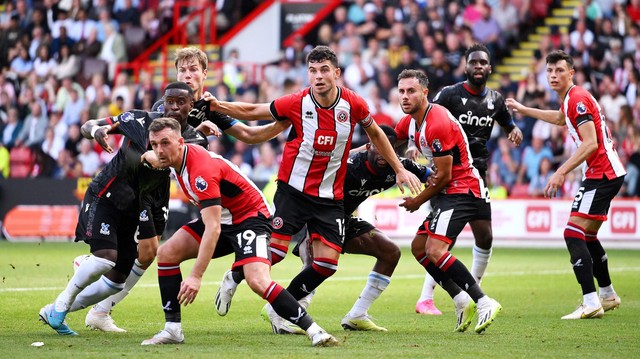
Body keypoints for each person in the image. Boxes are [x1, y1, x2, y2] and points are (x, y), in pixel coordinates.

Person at [209, 45, 422, 334]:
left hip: (329, 197)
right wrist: (218, 105)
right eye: (312, 70)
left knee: (326, 264)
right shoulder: (297, 102)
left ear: (337, 73)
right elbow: (254, 111)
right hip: (293, 190)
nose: (318, 76)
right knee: (275, 253)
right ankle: (235, 275)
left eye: (324, 70)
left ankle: (279, 308)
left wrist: (398, 168)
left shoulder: (354, 104)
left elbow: (375, 135)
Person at [85, 47, 287, 332]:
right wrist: (196, 128)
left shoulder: (209, 107)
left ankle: (101, 311)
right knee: (146, 251)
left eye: (193, 70)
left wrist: (284, 123)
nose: (188, 75)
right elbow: (160, 143)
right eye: (182, 70)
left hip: (164, 186)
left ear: (205, 74)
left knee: (149, 253)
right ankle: (97, 298)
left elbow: (250, 134)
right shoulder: (169, 103)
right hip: (137, 181)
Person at [139, 118, 337, 347]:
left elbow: (213, 228)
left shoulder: (200, 171)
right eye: (154, 144)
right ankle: (172, 330)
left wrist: (196, 276)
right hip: (223, 218)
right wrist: (149, 156)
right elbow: (155, 157)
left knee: (258, 280)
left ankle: (315, 331)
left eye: (165, 143)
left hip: (250, 218)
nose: (159, 150)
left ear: (181, 142)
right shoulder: (170, 156)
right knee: (167, 254)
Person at [38, 82, 206, 336]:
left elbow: (191, 167)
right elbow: (89, 125)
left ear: (190, 106)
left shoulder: (194, 139)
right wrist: (97, 130)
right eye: (169, 101)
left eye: (180, 103)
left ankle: (60, 310)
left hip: (139, 204)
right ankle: (61, 304)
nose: (173, 107)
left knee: (116, 280)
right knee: (105, 257)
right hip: (106, 196)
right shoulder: (139, 120)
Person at [506, 50, 625, 319]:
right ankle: (606, 294)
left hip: (601, 173)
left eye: (559, 70)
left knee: (572, 233)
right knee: (588, 235)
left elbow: (591, 143)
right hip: (606, 172)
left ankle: (591, 301)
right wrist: (525, 110)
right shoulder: (571, 99)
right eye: (549, 71)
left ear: (571, 73)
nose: (553, 75)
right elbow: (561, 119)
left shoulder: (578, 99)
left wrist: (560, 172)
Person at [415, 43, 523, 315]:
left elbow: (507, 122)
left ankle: (473, 286)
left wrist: (514, 131)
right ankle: (426, 297)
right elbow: (425, 118)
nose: (478, 66)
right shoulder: (450, 95)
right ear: (465, 66)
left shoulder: (495, 100)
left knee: (485, 235)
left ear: (489, 67)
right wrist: (414, 145)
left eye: (482, 63)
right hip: (448, 173)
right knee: (441, 240)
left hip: (477, 175)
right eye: (473, 62)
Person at [291, 125, 433, 331]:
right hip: (319, 217)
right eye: (378, 146)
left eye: (390, 148)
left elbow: (434, 177)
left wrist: (421, 198)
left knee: (390, 252)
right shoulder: (349, 166)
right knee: (318, 266)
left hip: (345, 220)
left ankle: (357, 315)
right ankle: (282, 310)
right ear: (368, 146)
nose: (384, 153)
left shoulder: (400, 167)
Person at [395, 69, 502, 334]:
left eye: (411, 91)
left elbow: (443, 176)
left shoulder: (437, 121)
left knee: (435, 250)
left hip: (462, 188)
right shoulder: (410, 121)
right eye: (401, 91)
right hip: (452, 190)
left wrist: (417, 200)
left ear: (424, 93)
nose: (405, 97)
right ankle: (460, 297)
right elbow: (385, 138)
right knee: (419, 247)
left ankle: (484, 301)